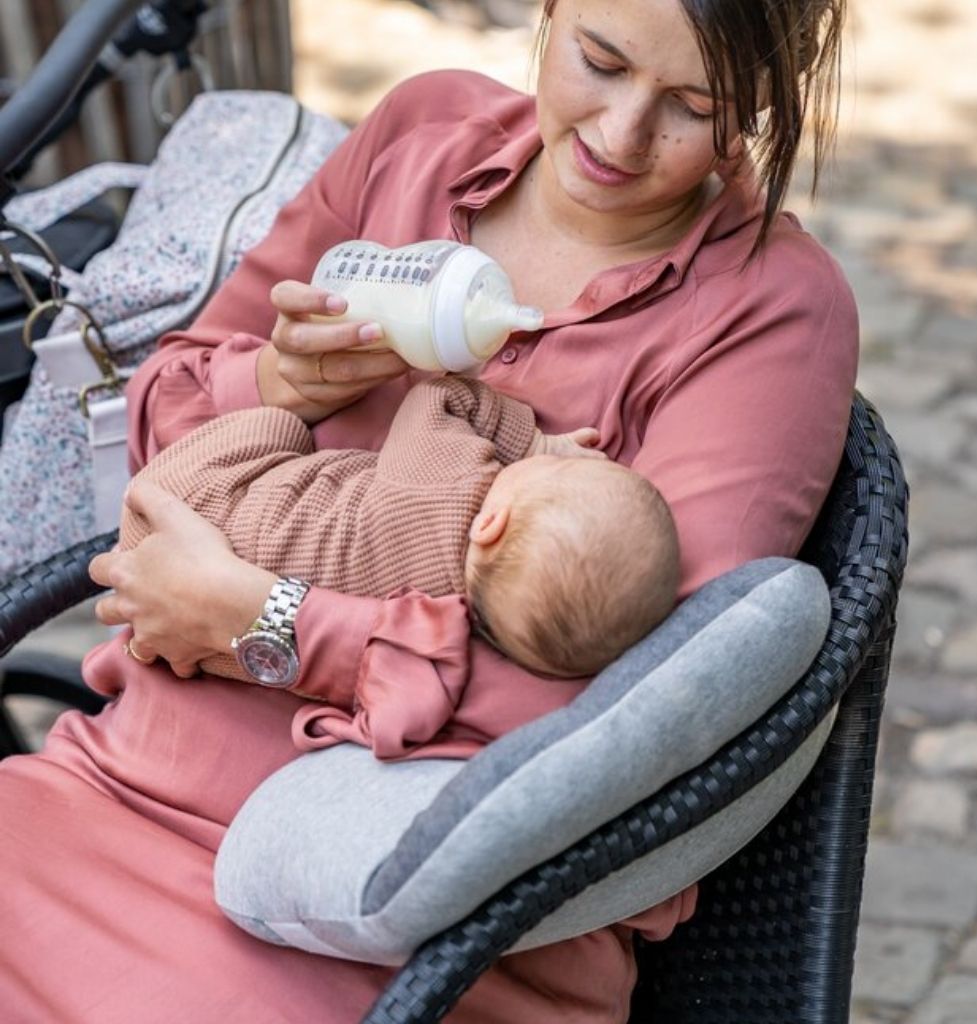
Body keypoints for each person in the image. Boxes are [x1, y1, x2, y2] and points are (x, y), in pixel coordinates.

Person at [0, 0, 857, 1020]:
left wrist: (270, 623)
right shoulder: (421, 138)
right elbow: (162, 430)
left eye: (692, 105)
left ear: (767, 92)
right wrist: (276, 384)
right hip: (112, 787)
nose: (621, 135)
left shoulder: (768, 312)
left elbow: (645, 712)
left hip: (400, 920)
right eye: (600, 60)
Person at [119, 373, 680, 687]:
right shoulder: (445, 622)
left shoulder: (451, 481)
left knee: (282, 425)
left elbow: (436, 395)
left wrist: (532, 442)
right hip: (225, 641)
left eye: (554, 474)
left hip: (192, 496)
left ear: (490, 524)